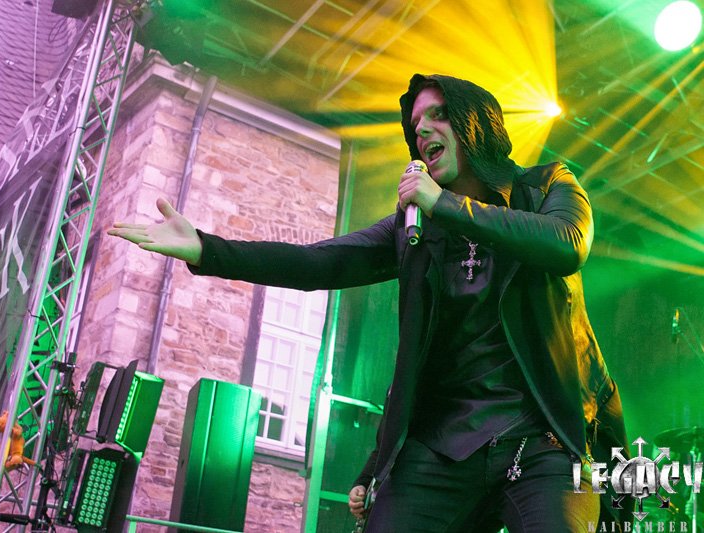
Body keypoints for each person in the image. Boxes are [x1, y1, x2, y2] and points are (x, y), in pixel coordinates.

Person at [108, 73, 631, 532]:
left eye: (438, 115)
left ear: (475, 123)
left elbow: (567, 245)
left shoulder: (546, 185)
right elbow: (318, 263)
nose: (423, 130)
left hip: (539, 438)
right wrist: (207, 248)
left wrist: (445, 204)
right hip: (441, 443)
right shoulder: (415, 227)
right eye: (416, 124)